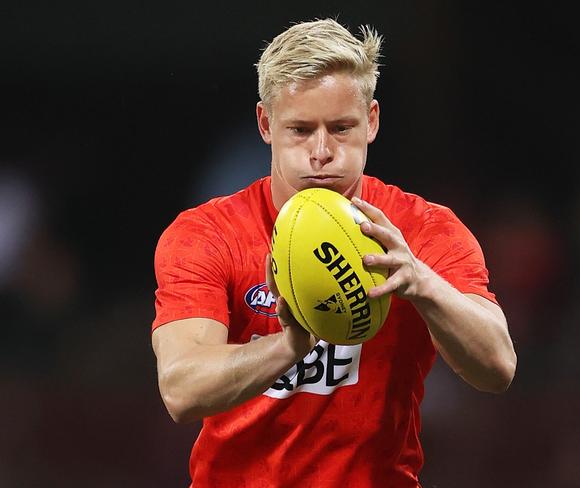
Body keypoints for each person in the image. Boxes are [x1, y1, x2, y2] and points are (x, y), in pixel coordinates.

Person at [151, 18, 517, 487]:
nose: (321, 152)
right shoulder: (207, 234)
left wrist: (423, 284)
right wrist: (289, 347)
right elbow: (182, 389)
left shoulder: (424, 230)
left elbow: (498, 368)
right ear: (266, 123)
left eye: (341, 128)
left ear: (373, 121)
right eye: (300, 130)